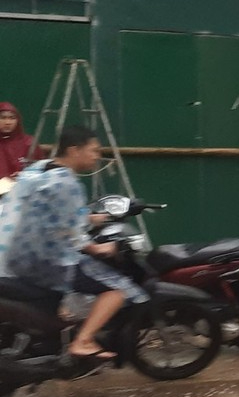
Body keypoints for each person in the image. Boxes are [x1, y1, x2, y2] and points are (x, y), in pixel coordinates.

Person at [0, 126, 144, 361]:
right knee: (118, 290)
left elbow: (46, 210)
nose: (97, 156)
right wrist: (98, 248)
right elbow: (74, 236)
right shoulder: (67, 183)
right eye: (94, 150)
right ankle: (83, 340)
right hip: (47, 261)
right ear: (74, 150)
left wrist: (88, 217)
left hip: (16, 256)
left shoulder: (39, 169)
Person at [0, 102, 41, 180]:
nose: (7, 122)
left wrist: (24, 175)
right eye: (3, 118)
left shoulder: (29, 143)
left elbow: (39, 171)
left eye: (12, 118)